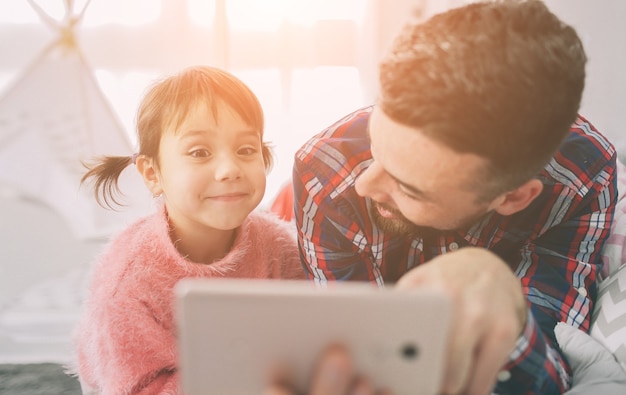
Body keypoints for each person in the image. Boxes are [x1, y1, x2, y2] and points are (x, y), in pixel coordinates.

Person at [271, 0, 619, 394]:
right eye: (376, 146)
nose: (365, 185)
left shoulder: (581, 179)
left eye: (407, 185)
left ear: (514, 197)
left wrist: (503, 296)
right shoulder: (326, 172)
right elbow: (356, 346)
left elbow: (549, 366)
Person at [70, 65, 305, 394]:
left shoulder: (280, 248)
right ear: (152, 173)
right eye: (200, 153)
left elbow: (309, 335)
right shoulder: (127, 284)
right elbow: (135, 387)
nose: (229, 169)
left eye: (246, 150)